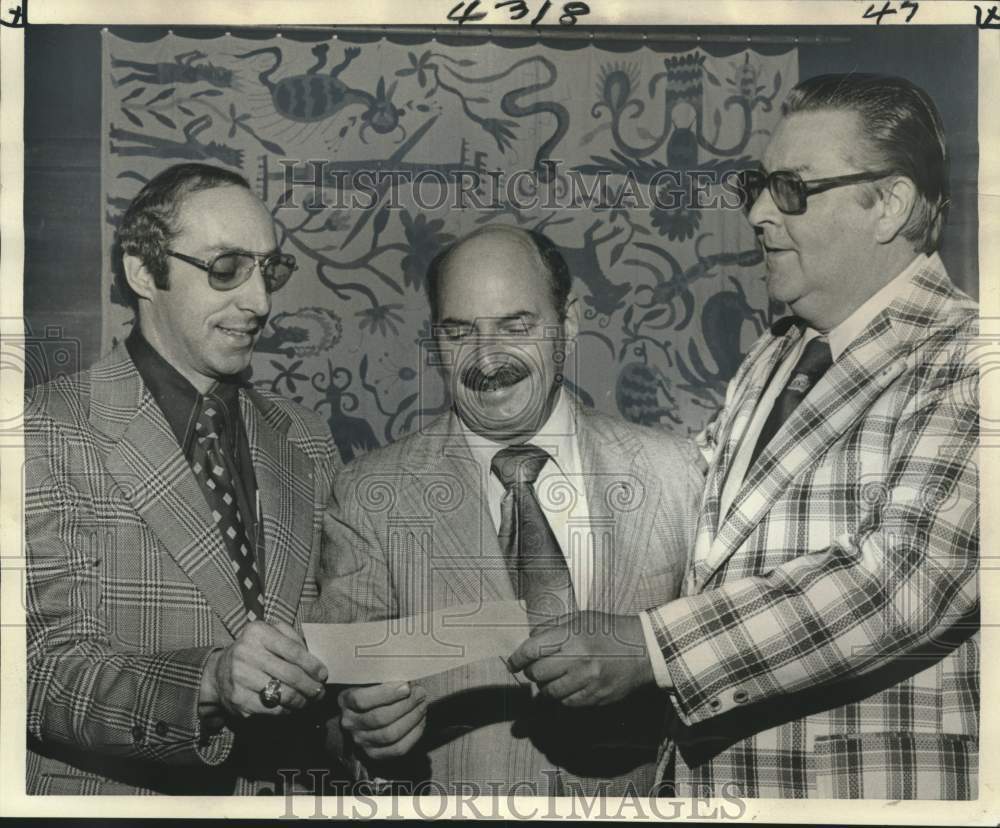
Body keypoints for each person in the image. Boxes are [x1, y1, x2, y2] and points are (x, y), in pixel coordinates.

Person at [509, 73, 980, 799]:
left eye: (792, 189)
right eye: (757, 186)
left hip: (869, 793)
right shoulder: (781, 350)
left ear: (888, 204)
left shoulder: (969, 355)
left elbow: (902, 582)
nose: (759, 213)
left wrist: (651, 648)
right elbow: (689, 514)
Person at [311, 225, 703, 795]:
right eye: (459, 333)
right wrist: (362, 728)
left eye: (516, 327)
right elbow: (328, 709)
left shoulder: (678, 474)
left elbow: (723, 666)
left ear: (568, 322)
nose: (487, 359)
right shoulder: (370, 494)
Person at [24, 163, 339, 795]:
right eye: (227, 268)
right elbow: (38, 676)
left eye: (268, 269)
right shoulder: (43, 431)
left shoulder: (306, 437)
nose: (260, 302)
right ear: (144, 271)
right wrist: (209, 682)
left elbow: (331, 641)